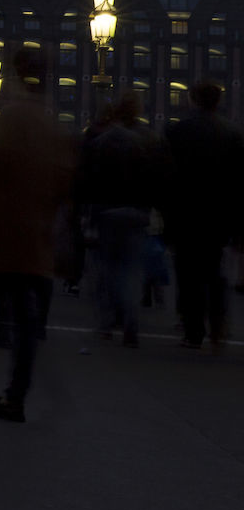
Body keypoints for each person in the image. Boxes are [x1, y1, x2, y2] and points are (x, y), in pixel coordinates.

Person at [0, 48, 72, 422]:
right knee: (28, 317)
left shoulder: (12, 118)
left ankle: (15, 395)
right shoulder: (52, 123)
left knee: (18, 312)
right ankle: (17, 390)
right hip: (39, 235)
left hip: (10, 234)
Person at [164, 80, 244, 350]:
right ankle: (218, 324)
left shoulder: (179, 131)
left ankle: (193, 330)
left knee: (188, 273)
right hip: (219, 215)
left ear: (193, 99)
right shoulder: (233, 133)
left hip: (186, 213)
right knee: (214, 270)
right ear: (218, 101)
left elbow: (168, 175)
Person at [78, 94, 163, 348]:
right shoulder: (148, 140)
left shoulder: (101, 141)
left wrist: (86, 214)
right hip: (136, 214)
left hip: (106, 212)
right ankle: (130, 319)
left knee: (105, 270)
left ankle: (106, 323)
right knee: (130, 271)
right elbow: (155, 178)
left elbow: (88, 180)